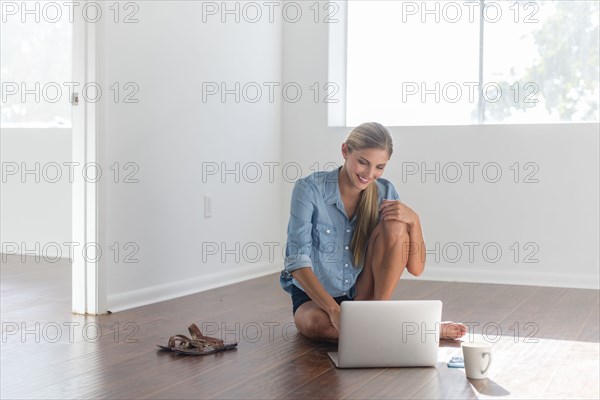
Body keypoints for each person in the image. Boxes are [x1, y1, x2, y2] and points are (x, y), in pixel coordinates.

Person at [279, 122, 467, 342]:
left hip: (362, 295)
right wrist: (334, 311)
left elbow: (416, 268)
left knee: (396, 225)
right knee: (316, 326)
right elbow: (297, 261)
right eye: (362, 162)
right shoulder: (309, 189)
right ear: (345, 151)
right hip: (316, 300)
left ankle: (377, 316)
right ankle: (417, 328)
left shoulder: (385, 191)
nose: (369, 174)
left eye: (379, 167)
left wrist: (415, 221)